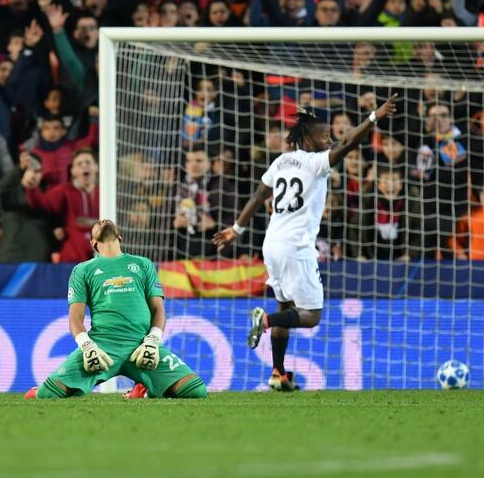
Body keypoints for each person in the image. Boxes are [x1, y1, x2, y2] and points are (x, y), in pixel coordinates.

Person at [213, 96, 398, 391]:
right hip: (296, 247)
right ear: (309, 139)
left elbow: (259, 196)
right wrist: (374, 117)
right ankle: (265, 321)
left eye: (330, 136)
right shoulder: (315, 163)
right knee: (311, 316)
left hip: (271, 244)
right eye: (325, 136)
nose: (329, 140)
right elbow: (349, 143)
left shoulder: (281, 161)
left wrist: (237, 228)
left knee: (286, 303)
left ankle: (278, 372)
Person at [26, 219, 207, 400]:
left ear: (119, 237)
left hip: (142, 347)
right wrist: (87, 346)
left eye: (106, 221)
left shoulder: (143, 264)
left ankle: (143, 390)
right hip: (102, 348)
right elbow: (75, 318)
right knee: (47, 394)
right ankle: (43, 387)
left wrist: (153, 340)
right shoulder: (82, 270)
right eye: (97, 223)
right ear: (93, 243)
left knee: (195, 390)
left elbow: (158, 310)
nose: (102, 221)